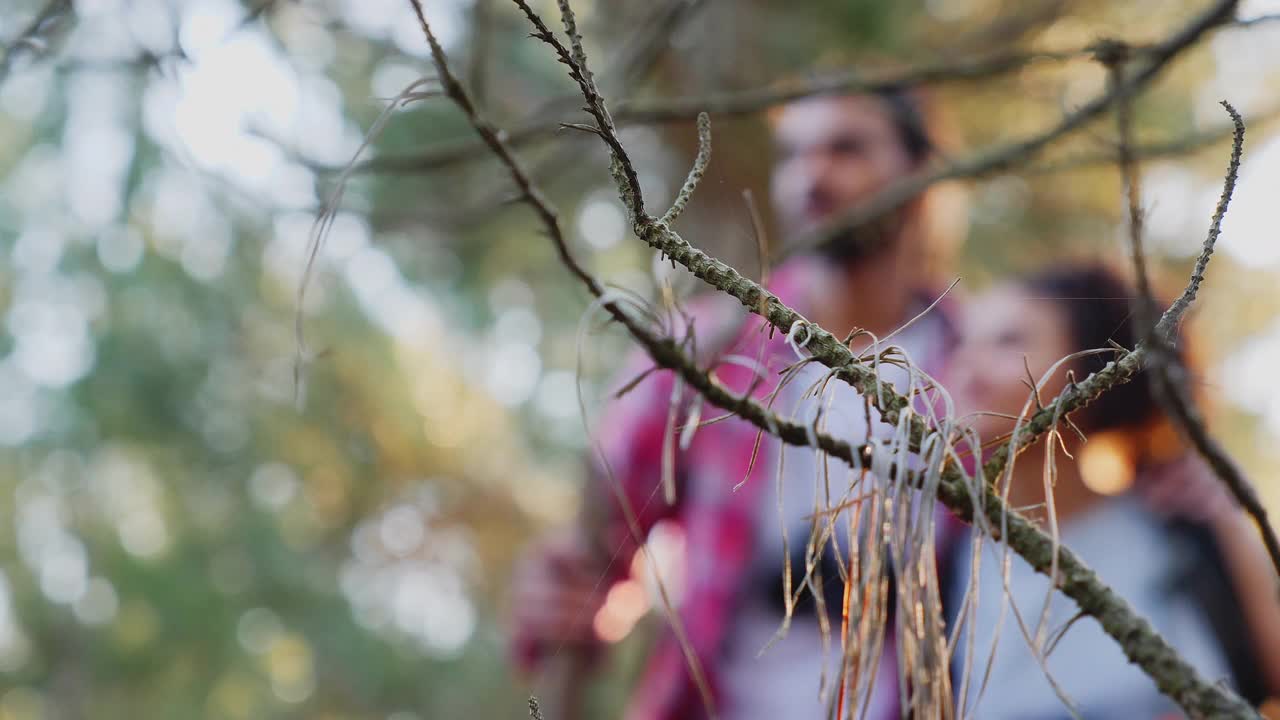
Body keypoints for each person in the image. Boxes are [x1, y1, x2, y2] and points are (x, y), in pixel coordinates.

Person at [510, 89, 964, 720]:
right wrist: (560, 602)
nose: (812, 176)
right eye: (794, 155)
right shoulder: (703, 350)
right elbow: (596, 552)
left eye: (847, 149)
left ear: (920, 175)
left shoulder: (975, 366)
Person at [943, 264, 1280, 718]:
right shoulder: (944, 555)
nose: (967, 364)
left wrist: (1232, 524)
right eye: (963, 342)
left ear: (1088, 375)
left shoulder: (1182, 530)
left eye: (1008, 341)